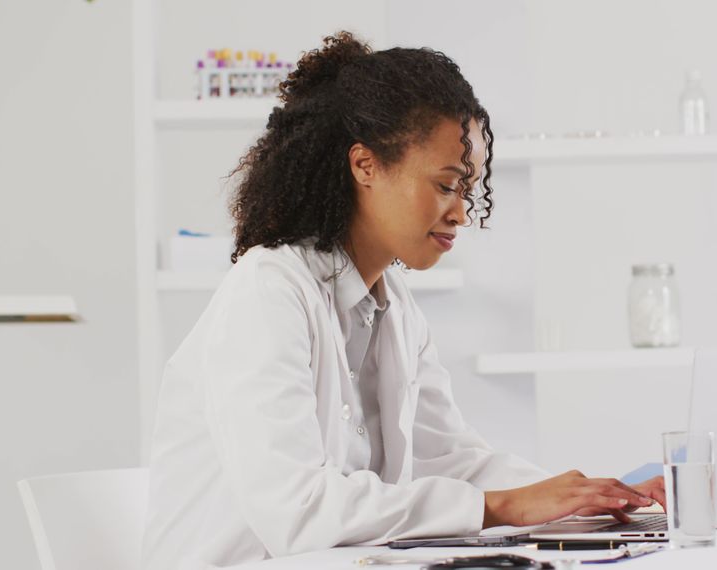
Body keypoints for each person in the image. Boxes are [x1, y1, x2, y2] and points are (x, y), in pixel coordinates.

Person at [141, 31, 665, 569]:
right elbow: (296, 512)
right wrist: (502, 506)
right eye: (445, 185)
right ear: (365, 165)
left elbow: (451, 461)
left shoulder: (394, 307)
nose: (462, 212)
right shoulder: (267, 292)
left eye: (470, 189)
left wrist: (595, 499)